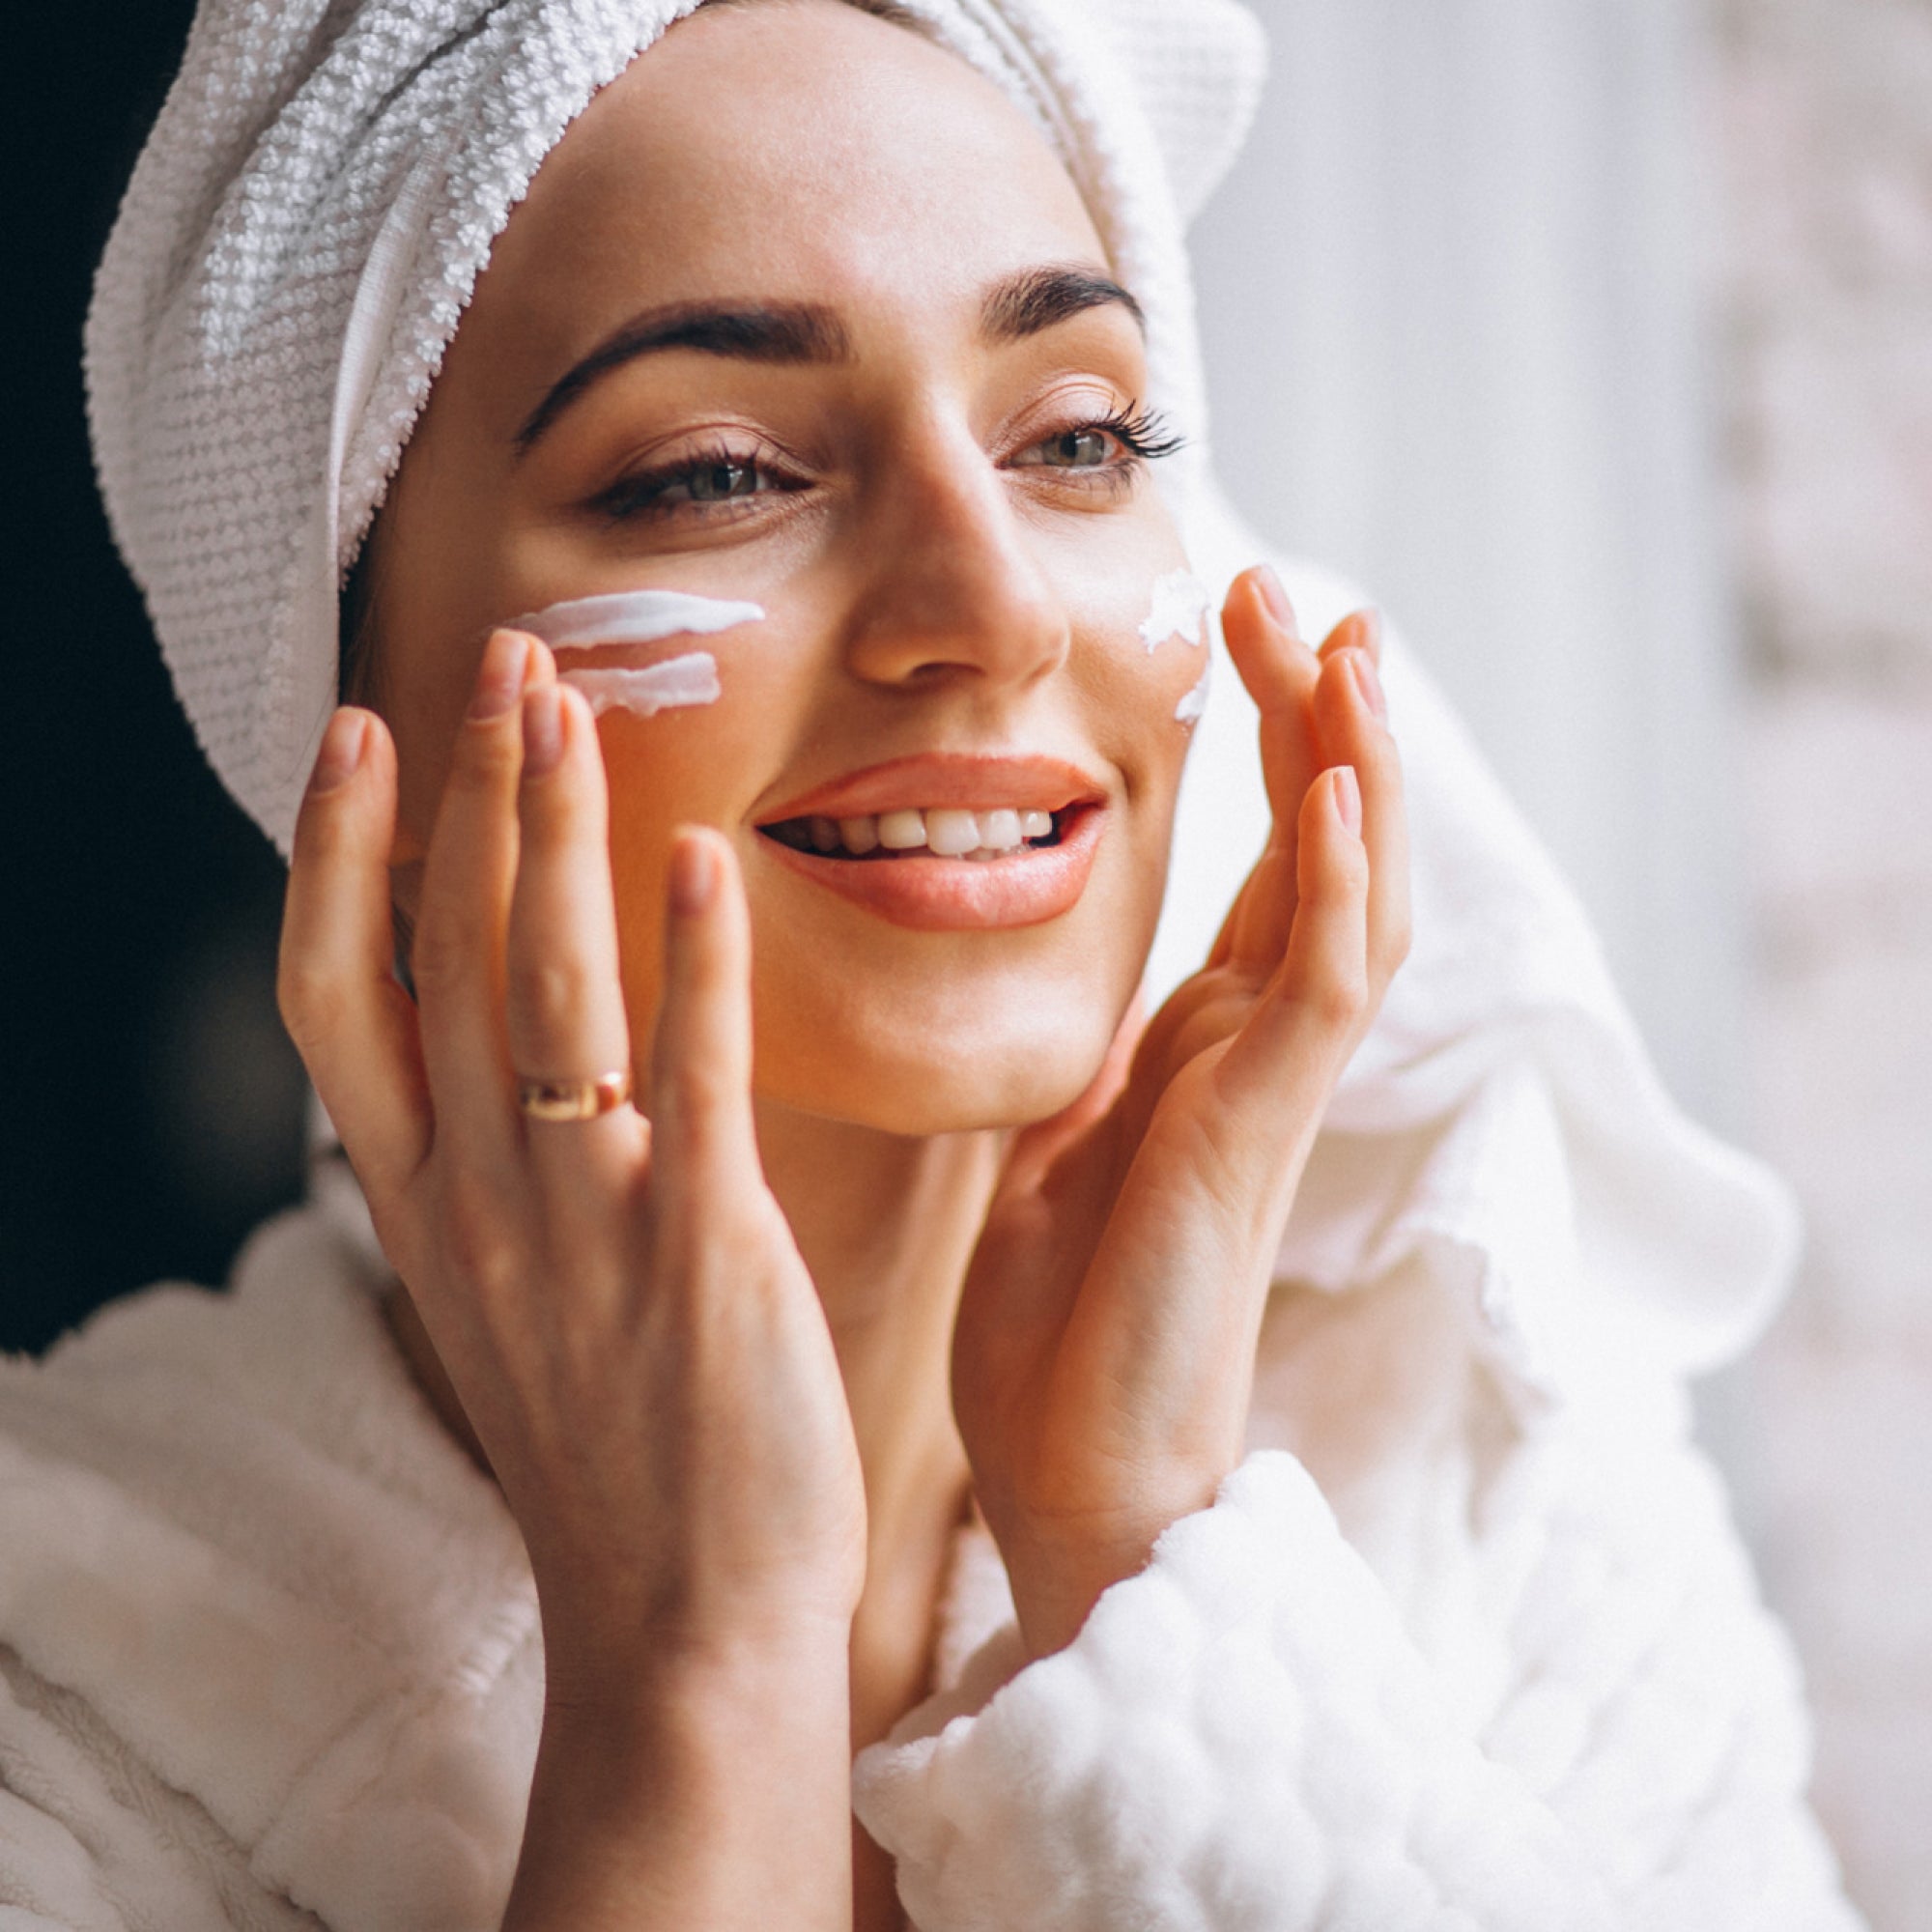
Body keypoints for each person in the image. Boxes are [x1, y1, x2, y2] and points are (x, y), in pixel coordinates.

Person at [0, 0, 1866, 1927]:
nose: (991, 606)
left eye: (1078, 438)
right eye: (719, 472)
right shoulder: (57, 1695)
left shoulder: (1505, 1517)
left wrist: (1146, 1579)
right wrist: (697, 1669)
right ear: (352, 739)